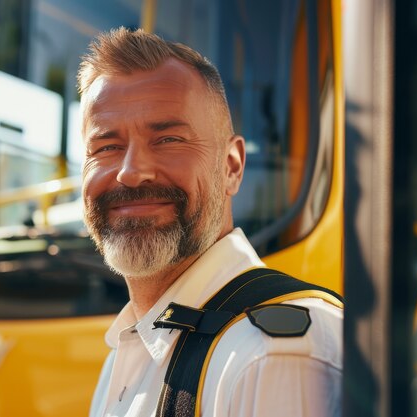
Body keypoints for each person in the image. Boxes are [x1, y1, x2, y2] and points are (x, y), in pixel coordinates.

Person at [77, 27, 343, 417]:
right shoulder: (130, 348)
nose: (131, 172)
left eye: (168, 140)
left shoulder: (272, 356)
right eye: (107, 147)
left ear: (231, 166)